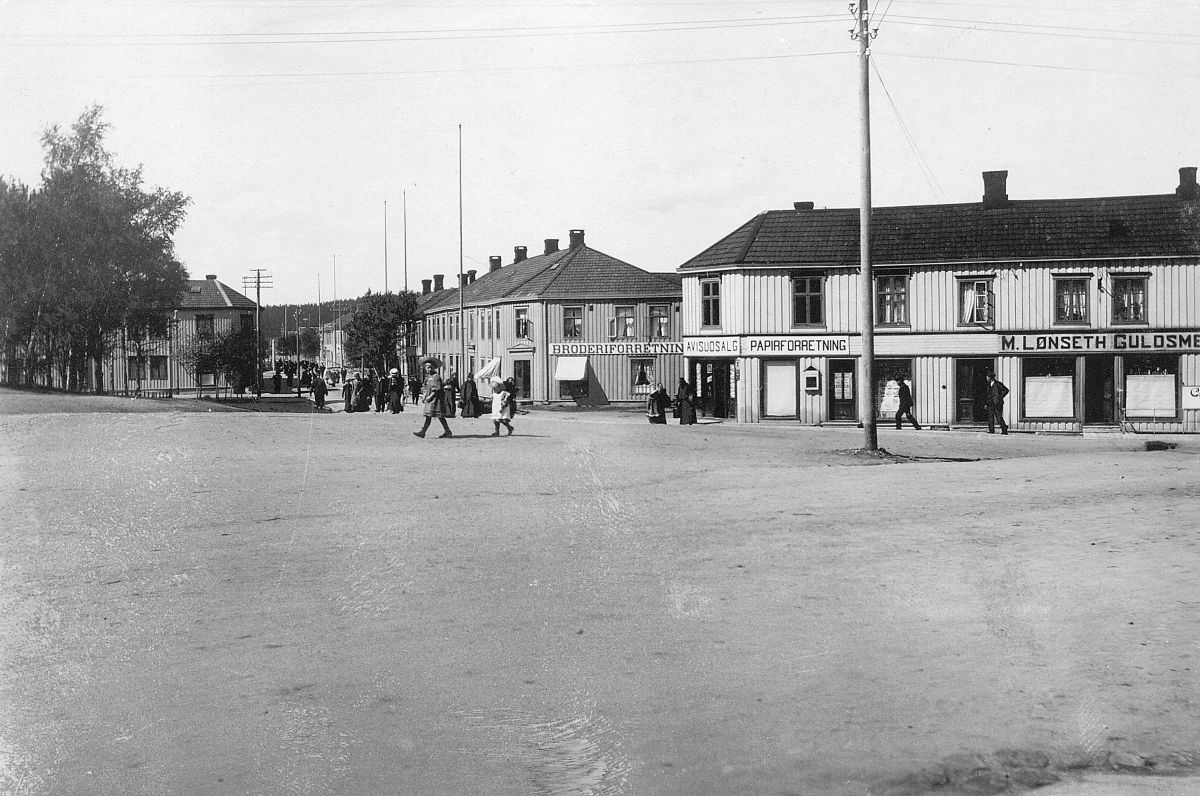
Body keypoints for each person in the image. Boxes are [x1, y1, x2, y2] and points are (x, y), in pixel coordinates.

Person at [414, 360, 453, 438]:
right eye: (427, 367)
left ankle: (446, 431)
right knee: (430, 416)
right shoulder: (428, 377)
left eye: (431, 367)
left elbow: (437, 389)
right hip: (430, 399)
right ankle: (424, 431)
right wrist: (424, 396)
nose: (429, 369)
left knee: (439, 416)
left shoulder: (436, 376)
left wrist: (430, 396)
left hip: (436, 399)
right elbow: (427, 387)